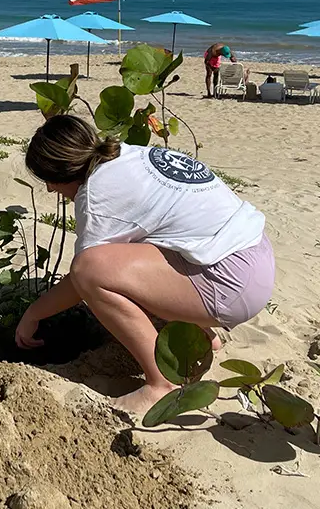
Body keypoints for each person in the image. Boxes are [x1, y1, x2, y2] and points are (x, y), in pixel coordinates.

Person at [15, 115, 275, 414]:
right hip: (256, 256)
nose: (49, 190)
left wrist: (33, 314)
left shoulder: (97, 196)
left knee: (91, 269)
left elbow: (81, 279)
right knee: (138, 244)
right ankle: (201, 335)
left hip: (230, 285)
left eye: (48, 181)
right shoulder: (129, 155)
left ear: (61, 174)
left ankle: (161, 383)